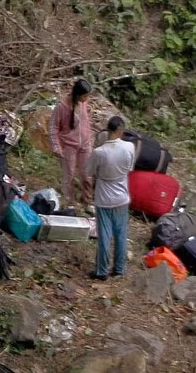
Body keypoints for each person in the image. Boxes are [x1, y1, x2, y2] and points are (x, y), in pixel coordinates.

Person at [87, 116, 136, 280]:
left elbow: (90, 171)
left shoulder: (99, 152)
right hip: (122, 196)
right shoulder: (129, 147)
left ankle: (102, 271)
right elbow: (130, 168)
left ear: (108, 130)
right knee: (121, 234)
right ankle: (119, 269)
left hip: (103, 197)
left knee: (104, 235)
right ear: (120, 130)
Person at [50, 78, 94, 207]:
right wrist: (56, 146)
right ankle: (70, 203)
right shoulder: (62, 106)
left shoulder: (84, 103)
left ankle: (87, 200)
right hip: (68, 145)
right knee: (68, 176)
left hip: (85, 144)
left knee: (87, 174)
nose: (87, 98)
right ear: (78, 95)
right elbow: (53, 127)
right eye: (85, 96)